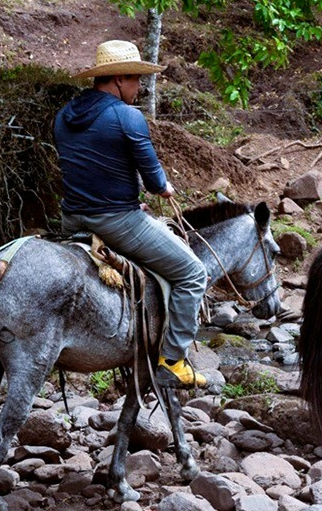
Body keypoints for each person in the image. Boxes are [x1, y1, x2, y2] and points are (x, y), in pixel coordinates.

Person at [54, 40, 207, 388]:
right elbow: (155, 183)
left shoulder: (64, 116)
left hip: (72, 218)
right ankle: (173, 360)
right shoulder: (127, 117)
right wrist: (165, 188)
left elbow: (88, 169)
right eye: (137, 79)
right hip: (115, 221)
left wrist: (121, 195)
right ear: (119, 79)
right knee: (192, 273)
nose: (141, 87)